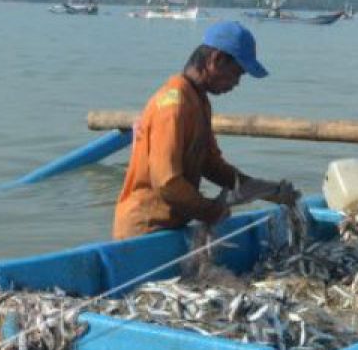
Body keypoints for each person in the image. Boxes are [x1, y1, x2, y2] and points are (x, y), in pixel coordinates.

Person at [113, 21, 296, 240]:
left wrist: (265, 190)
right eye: (236, 73)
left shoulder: (199, 101)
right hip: (145, 229)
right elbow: (167, 183)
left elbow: (211, 165)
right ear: (216, 60)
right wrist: (211, 210)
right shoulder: (173, 104)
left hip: (172, 225)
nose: (236, 83)